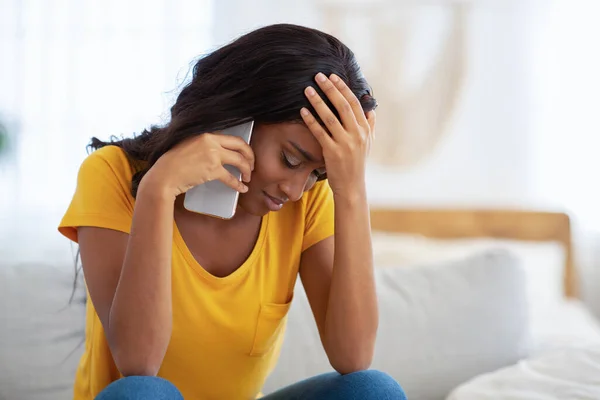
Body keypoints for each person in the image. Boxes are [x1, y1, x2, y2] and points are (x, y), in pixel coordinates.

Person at [58, 23, 407, 400]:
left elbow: (353, 356)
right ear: (237, 116)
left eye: (318, 173)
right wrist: (157, 192)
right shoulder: (111, 174)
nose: (294, 190)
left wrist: (351, 190)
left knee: (373, 391)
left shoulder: (308, 199)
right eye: (290, 159)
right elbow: (138, 364)